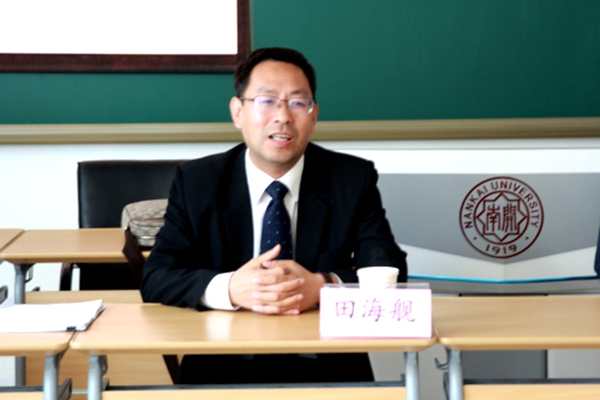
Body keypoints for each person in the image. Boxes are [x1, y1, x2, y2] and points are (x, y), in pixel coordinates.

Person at [141, 47, 407, 384]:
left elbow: (389, 268)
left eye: (297, 102)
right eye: (266, 101)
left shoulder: (351, 179)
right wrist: (231, 288)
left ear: (314, 114)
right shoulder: (198, 181)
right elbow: (158, 276)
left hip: (329, 366)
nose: (282, 116)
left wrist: (323, 286)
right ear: (237, 112)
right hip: (220, 365)